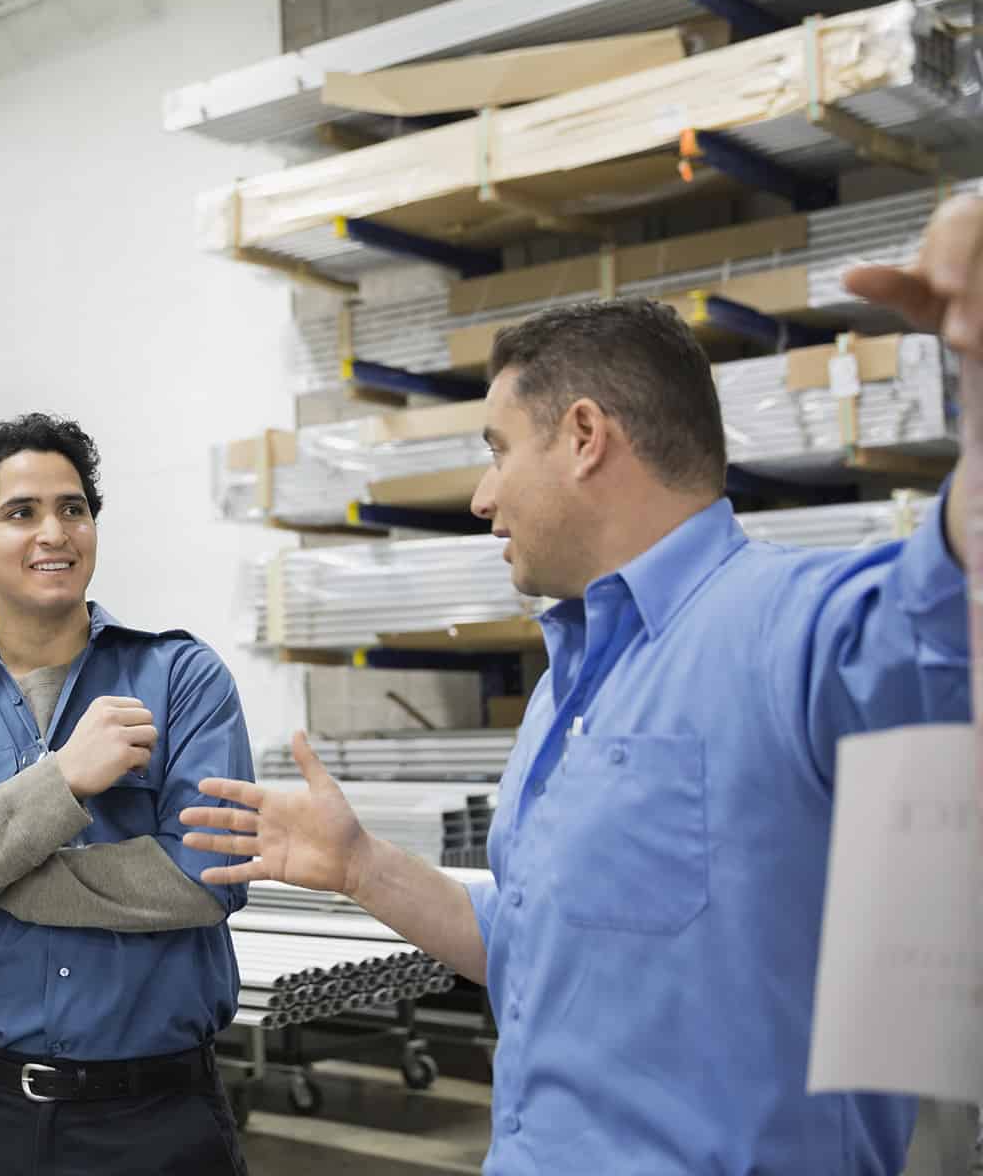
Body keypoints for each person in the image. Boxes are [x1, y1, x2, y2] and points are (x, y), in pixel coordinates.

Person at [182, 192, 983, 1176]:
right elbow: (538, 945)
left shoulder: (795, 626)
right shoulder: (572, 681)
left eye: (497, 449)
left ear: (585, 435)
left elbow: (951, 612)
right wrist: (361, 866)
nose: (481, 497)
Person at [0, 413, 255, 1176]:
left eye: (74, 509)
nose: (55, 533)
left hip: (157, 1120)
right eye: (21, 513)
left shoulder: (181, 679)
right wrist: (61, 780)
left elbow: (203, 884)